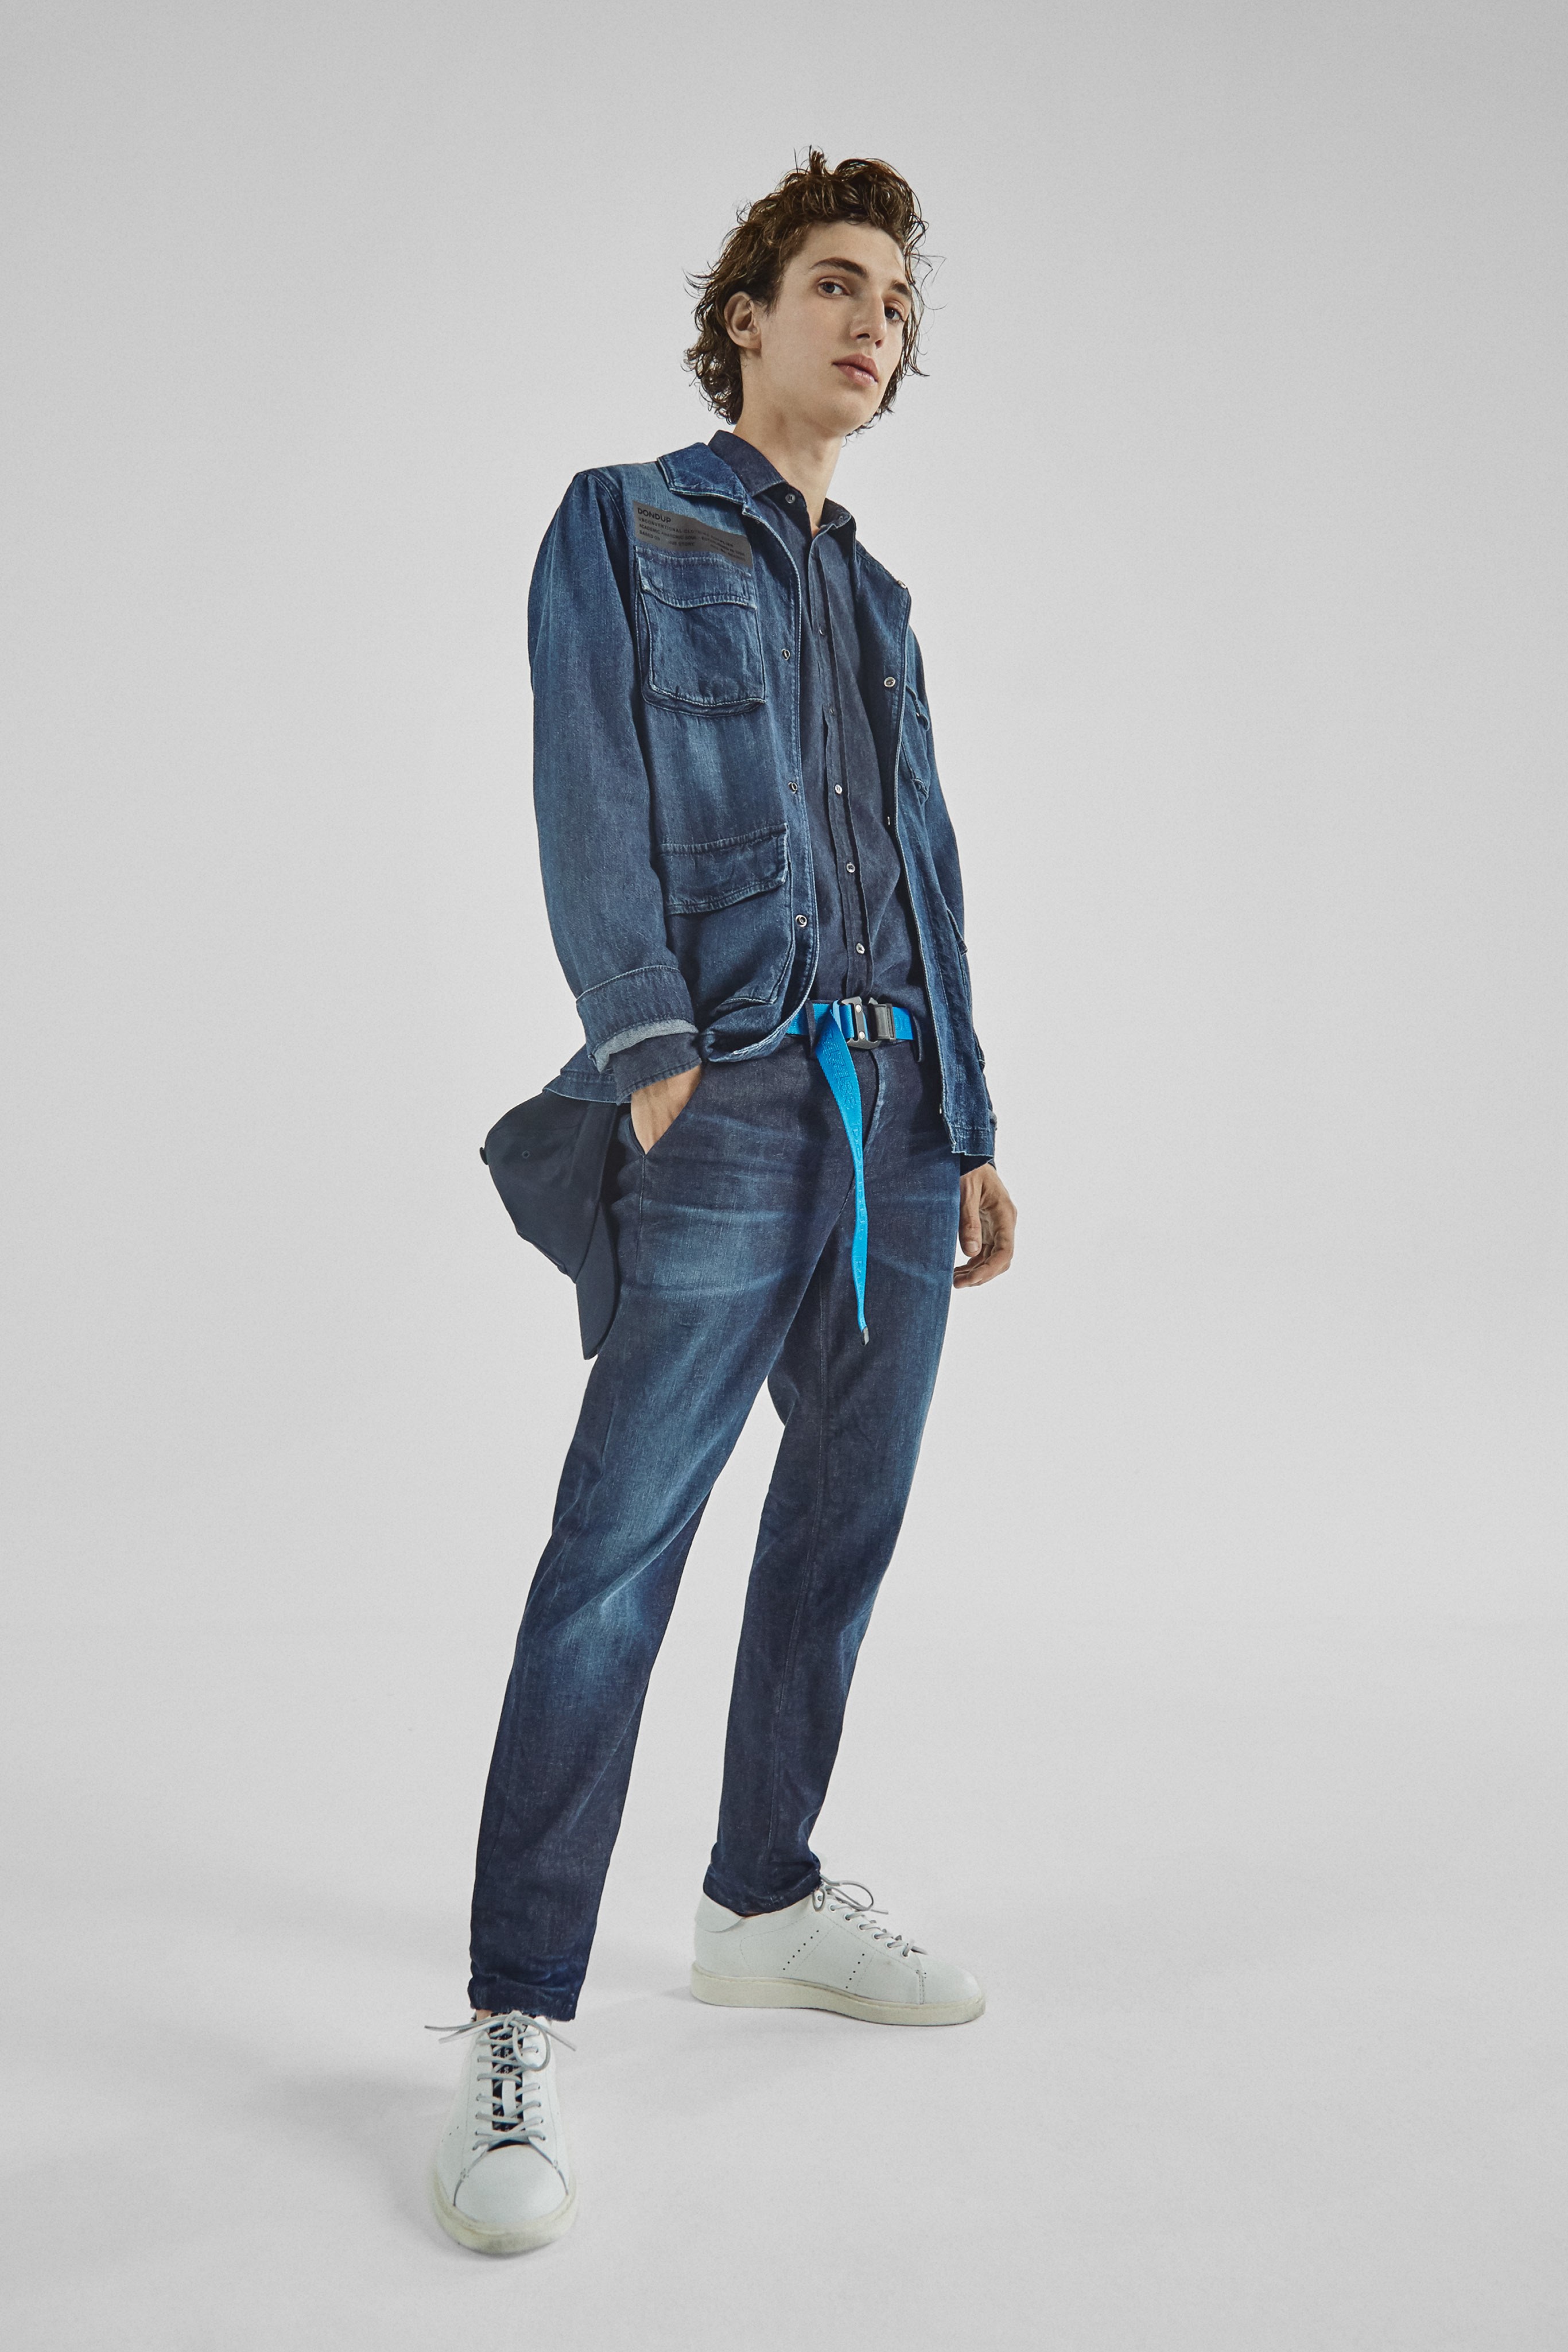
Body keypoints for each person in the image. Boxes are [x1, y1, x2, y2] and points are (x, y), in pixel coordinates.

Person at [432, 150, 1018, 2256]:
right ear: (745, 316)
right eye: (835, 285)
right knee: (617, 1548)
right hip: (733, 1093)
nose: (873, 323)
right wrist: (654, 1046)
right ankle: (515, 2011)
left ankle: (761, 1893)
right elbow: (586, 787)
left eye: (896, 305)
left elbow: (924, 859)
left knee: (845, 1514)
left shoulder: (881, 601)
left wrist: (970, 1111)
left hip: (901, 1110)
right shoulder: (625, 520)